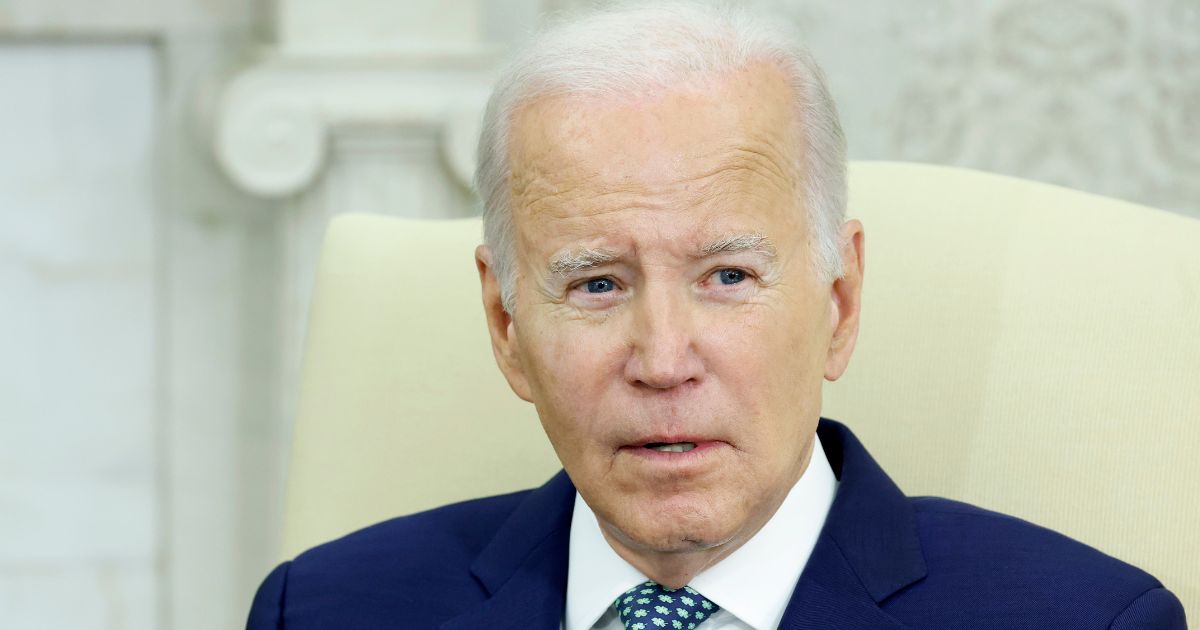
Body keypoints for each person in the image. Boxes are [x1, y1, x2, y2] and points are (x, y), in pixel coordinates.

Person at [246, 3, 1187, 629]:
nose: (663, 360)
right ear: (505, 327)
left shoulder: (1086, 621)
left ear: (839, 303)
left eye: (728, 276)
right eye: (597, 285)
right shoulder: (324, 610)